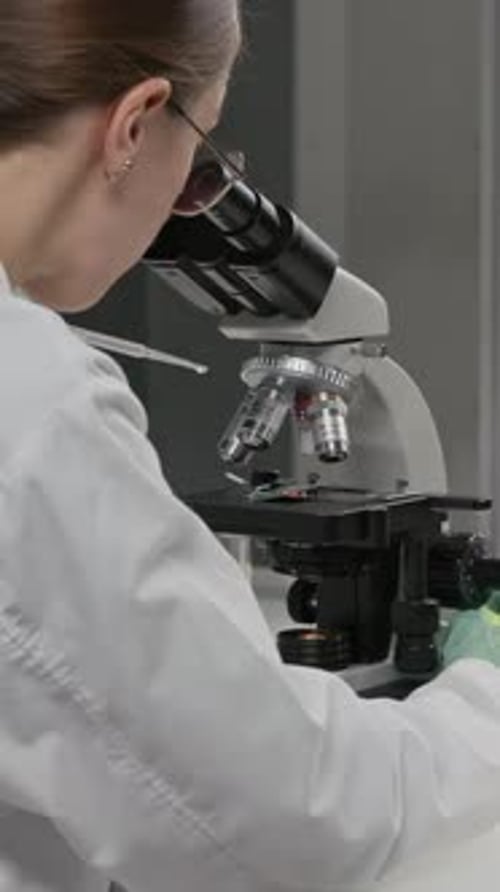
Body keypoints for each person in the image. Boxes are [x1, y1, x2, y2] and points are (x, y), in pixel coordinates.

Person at [1, 2, 500, 890]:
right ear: (135, 123)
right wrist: (485, 698)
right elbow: (283, 823)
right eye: (203, 154)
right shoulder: (31, 401)